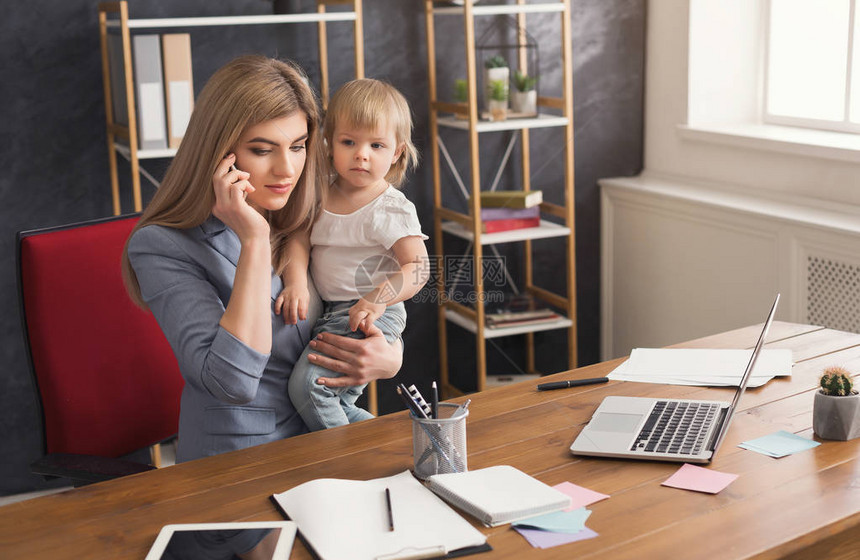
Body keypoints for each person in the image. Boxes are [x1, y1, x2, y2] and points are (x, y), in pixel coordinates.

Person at [121, 56, 403, 463]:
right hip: (242, 459)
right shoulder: (162, 246)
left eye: (298, 146)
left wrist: (388, 356)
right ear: (220, 153)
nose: (286, 168)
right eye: (261, 150)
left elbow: (364, 300)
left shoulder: (306, 220)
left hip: (321, 439)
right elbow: (231, 381)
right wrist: (253, 239)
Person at [274, 78, 429, 431]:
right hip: (333, 312)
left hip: (372, 312)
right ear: (329, 145)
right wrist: (296, 281)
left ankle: (352, 461)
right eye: (349, 142)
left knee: (309, 388)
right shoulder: (319, 193)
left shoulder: (389, 208)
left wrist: (377, 298)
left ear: (397, 152)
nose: (362, 154)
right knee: (334, 400)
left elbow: (418, 267)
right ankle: (401, 440)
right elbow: (298, 238)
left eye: (376, 145)